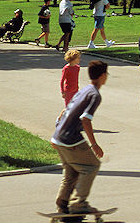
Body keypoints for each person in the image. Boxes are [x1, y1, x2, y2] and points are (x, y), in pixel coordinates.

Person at [50, 59, 108, 216]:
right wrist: (94, 144)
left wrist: (55, 133)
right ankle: (79, 203)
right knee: (92, 166)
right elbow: (85, 119)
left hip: (59, 136)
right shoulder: (95, 94)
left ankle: (62, 203)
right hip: (70, 138)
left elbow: (66, 109)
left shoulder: (84, 90)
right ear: (103, 76)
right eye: (106, 74)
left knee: (71, 172)